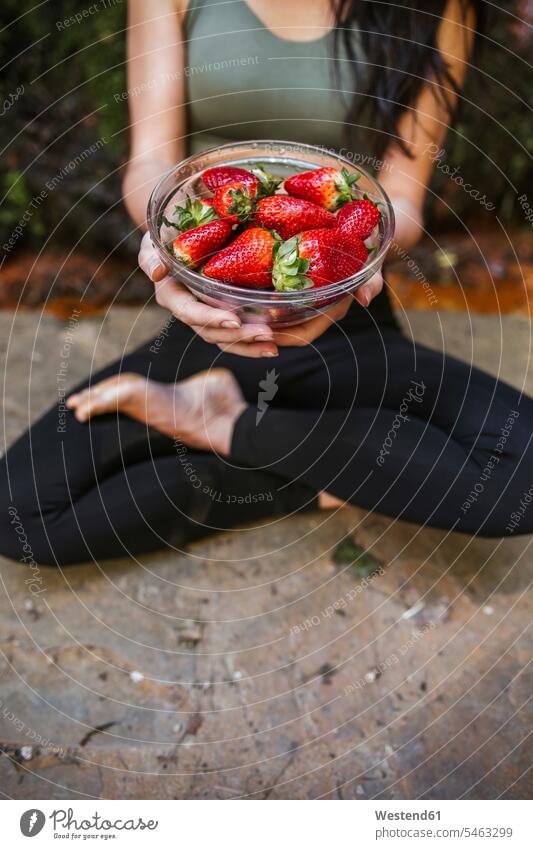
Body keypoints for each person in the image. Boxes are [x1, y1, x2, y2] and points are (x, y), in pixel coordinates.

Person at [1, 0, 532, 567]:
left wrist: (358, 261)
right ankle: (321, 466)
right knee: (24, 515)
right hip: (219, 311)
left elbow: (400, 194)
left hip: (337, 302)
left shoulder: (434, 8)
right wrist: (168, 249)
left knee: (521, 477)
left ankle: (221, 420)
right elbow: (153, 163)